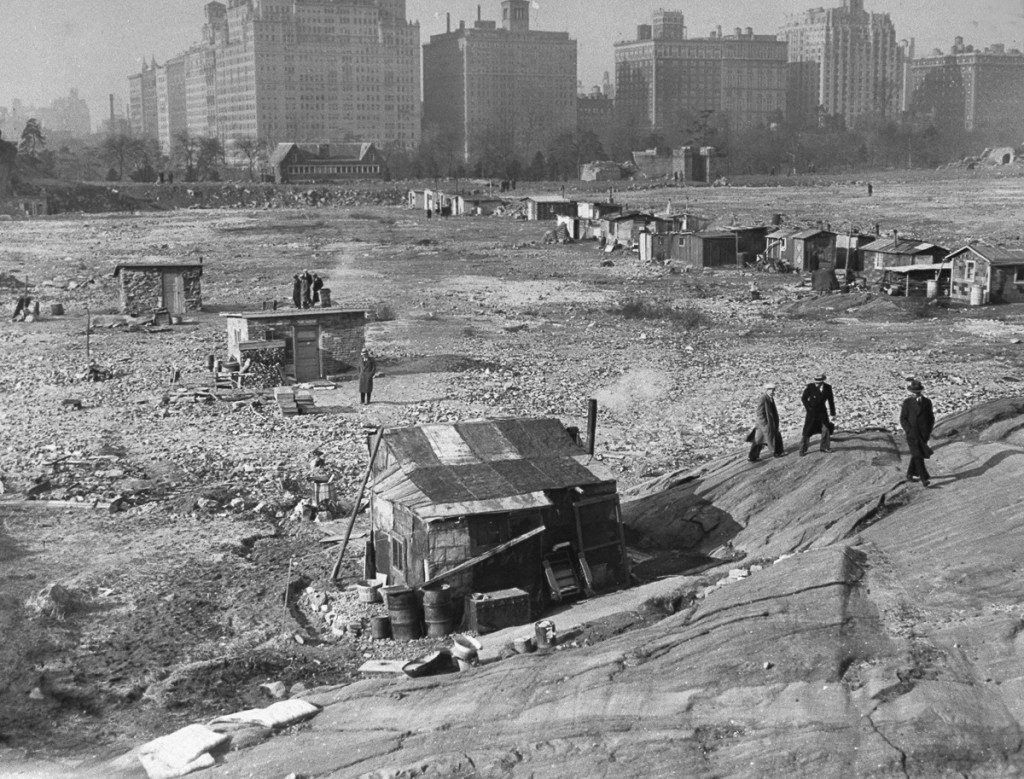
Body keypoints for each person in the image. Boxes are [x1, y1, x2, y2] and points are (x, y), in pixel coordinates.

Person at [900, 380, 934, 486]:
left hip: (923, 433)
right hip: (912, 434)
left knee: (916, 454)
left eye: (918, 391)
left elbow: (930, 418)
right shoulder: (907, 403)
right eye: (914, 392)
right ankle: (924, 478)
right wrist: (908, 430)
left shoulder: (927, 402)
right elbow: (903, 418)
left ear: (920, 391)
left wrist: (928, 431)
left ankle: (910, 473)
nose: (916, 393)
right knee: (918, 455)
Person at [800, 372, 836, 456]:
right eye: (816, 381)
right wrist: (808, 408)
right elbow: (804, 398)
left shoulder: (828, 388)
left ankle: (824, 447)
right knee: (807, 431)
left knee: (826, 429)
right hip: (811, 413)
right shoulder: (810, 387)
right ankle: (802, 449)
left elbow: (831, 401)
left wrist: (832, 413)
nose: (817, 384)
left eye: (819, 382)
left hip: (822, 412)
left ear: (823, 381)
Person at [748, 383, 785, 461]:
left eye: (773, 390)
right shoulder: (763, 398)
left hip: (767, 424)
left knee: (759, 440)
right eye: (770, 390)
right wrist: (765, 423)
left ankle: (753, 457)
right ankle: (776, 453)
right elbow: (759, 412)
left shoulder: (770, 398)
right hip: (764, 424)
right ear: (767, 390)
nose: (772, 391)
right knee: (768, 438)